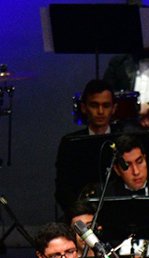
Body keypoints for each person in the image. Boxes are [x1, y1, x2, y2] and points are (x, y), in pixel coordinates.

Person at [54, 79, 126, 211]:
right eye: (94, 105)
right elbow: (63, 189)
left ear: (114, 108)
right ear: (84, 108)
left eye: (106, 105)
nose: (100, 111)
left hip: (119, 210)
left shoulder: (123, 140)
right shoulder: (71, 143)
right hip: (80, 212)